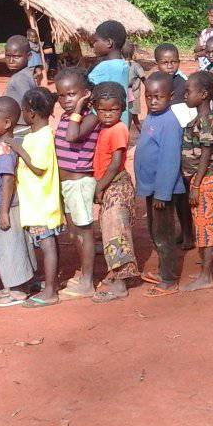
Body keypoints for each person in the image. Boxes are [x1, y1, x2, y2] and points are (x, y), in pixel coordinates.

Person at [0, 98, 36, 307]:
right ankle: (21, 284)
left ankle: (18, 289)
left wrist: (3, 211)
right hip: (3, 204)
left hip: (1, 205)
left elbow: (7, 179)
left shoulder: (2, 149)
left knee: (8, 247)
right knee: (14, 244)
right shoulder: (3, 145)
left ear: (6, 123)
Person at [11, 87, 63, 306]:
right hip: (36, 203)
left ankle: (50, 291)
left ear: (31, 112)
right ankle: (51, 284)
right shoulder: (34, 135)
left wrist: (18, 149)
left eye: (23, 110)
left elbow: (39, 167)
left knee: (47, 246)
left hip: (42, 205)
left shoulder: (43, 137)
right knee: (47, 244)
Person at [135, 72, 185, 295]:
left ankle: (169, 279)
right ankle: (164, 271)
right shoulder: (152, 117)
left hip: (162, 192)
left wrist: (162, 194)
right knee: (155, 232)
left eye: (158, 97)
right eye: (148, 97)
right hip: (151, 188)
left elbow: (169, 160)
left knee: (164, 235)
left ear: (171, 97)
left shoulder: (169, 122)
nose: (153, 101)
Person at [90, 82, 141, 302]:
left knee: (116, 231)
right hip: (110, 185)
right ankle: (117, 275)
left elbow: (115, 163)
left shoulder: (118, 129)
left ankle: (120, 283)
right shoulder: (103, 128)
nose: (108, 114)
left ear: (122, 108)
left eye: (114, 109)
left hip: (116, 186)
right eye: (103, 110)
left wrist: (99, 186)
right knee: (110, 229)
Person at [53, 68, 101, 299]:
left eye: (72, 94)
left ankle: (88, 281)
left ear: (86, 93)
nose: (66, 100)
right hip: (67, 186)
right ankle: (84, 273)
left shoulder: (91, 117)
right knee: (74, 233)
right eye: (61, 96)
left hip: (79, 183)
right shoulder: (66, 117)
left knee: (84, 232)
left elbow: (73, 136)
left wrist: (80, 109)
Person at [180, 71, 213, 292]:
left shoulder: (206, 121)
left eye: (188, 91)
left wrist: (196, 185)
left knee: (206, 227)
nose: (185, 95)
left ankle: (206, 276)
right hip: (199, 179)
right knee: (205, 224)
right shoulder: (200, 119)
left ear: (203, 94)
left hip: (203, 181)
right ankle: (212, 270)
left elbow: (206, 153)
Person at [88, 20, 131, 125]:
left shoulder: (104, 68)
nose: (93, 45)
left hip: (103, 122)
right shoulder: (123, 65)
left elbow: (86, 91)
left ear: (108, 42)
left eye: (96, 41)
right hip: (120, 121)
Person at [3, 35, 39, 137]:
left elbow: (29, 101)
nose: (11, 61)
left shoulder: (19, 78)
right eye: (8, 56)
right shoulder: (26, 74)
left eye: (16, 57)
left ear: (29, 56)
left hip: (20, 126)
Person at [122, 41, 145, 132]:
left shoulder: (120, 65)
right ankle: (145, 137)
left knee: (125, 120)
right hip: (133, 97)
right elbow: (144, 79)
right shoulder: (136, 66)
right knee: (134, 120)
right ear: (133, 52)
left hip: (123, 96)